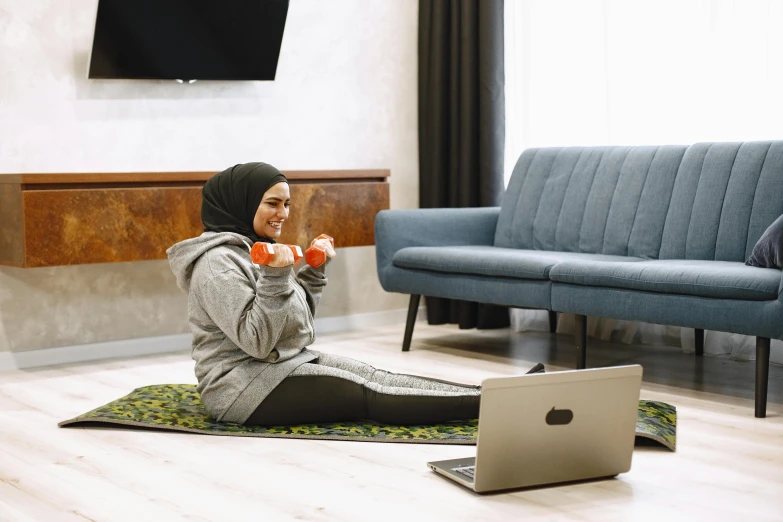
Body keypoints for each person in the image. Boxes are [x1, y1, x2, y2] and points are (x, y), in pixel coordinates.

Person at [166, 162, 485, 426]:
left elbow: (296, 326)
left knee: (376, 375)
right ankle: (489, 408)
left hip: (286, 362)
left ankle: (491, 395)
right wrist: (276, 276)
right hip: (241, 387)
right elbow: (259, 343)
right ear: (242, 202)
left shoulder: (259, 247)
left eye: (286, 204)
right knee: (369, 393)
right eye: (273, 203)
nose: (283, 213)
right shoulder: (216, 263)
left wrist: (314, 272)